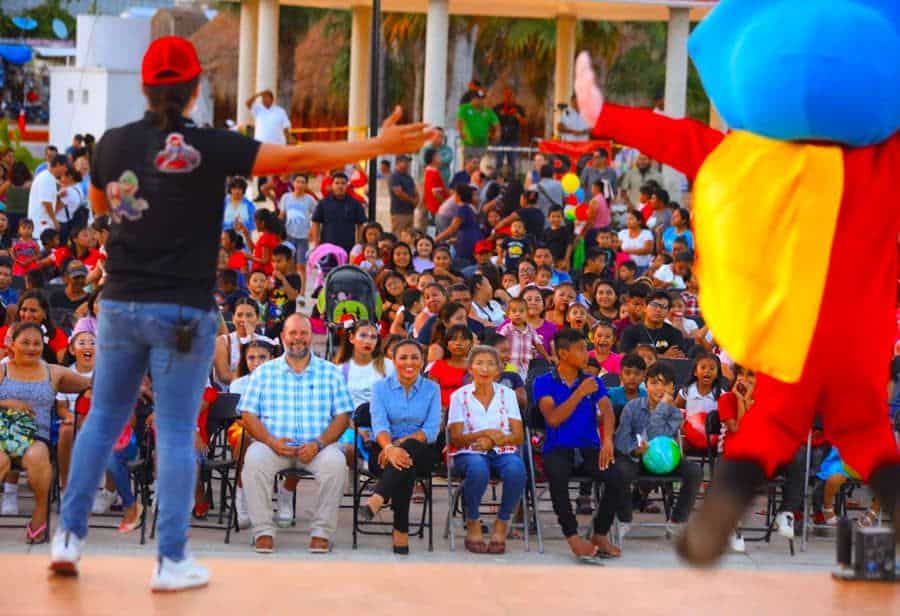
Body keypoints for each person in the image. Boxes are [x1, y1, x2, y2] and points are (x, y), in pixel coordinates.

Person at [52, 36, 433, 590]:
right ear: (195, 87)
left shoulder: (111, 144)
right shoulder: (214, 145)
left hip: (120, 305)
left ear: (143, 84)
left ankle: (69, 538)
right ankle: (172, 561)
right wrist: (377, 144)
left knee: (101, 421)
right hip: (183, 307)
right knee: (180, 431)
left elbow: (100, 206)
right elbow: (300, 157)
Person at [238, 314, 351, 553]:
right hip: (273, 445)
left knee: (336, 463)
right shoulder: (264, 372)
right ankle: (263, 531)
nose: (298, 338)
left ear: (311, 336)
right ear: (282, 337)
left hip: (317, 447)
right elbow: (248, 414)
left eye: (303, 333)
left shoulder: (330, 372)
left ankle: (321, 532)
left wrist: (319, 444)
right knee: (254, 459)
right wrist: (270, 441)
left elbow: (343, 416)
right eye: (292, 333)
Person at [532, 328, 625, 560]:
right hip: (558, 447)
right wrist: (578, 393)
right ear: (563, 354)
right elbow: (552, 418)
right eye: (581, 349)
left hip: (589, 448)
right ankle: (573, 537)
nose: (587, 354)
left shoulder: (593, 381)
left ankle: (600, 533)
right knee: (557, 475)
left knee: (618, 476)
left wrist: (607, 441)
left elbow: (607, 410)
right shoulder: (543, 382)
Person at [0, 322, 91, 543]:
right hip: (2, 433)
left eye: (36, 343)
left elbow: (92, 382)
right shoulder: (2, 369)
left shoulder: (53, 372)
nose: (31, 348)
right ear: (13, 344)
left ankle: (40, 513)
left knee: (37, 456)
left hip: (35, 435)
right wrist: (7, 402)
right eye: (25, 342)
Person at [358, 339, 441, 554]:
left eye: (415, 357)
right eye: (403, 357)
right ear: (393, 361)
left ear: (423, 361)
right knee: (405, 467)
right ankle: (400, 530)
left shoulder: (432, 389)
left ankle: (379, 497)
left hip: (422, 450)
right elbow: (379, 425)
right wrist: (389, 448)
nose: (409, 362)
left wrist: (398, 447)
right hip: (383, 450)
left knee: (411, 448)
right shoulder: (380, 388)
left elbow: (431, 430)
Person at [448, 345, 526, 554]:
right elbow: (455, 438)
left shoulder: (508, 395)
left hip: (503, 450)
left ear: (498, 370)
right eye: (479, 363)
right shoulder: (459, 396)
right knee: (478, 469)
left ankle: (502, 523)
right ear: (470, 368)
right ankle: (472, 521)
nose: (485, 368)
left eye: (491, 364)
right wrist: (485, 433)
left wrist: (494, 442)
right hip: (468, 452)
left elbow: (518, 436)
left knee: (516, 469)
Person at [614, 361, 702, 537]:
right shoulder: (631, 407)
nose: (659, 388)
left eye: (665, 383)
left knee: (694, 471)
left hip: (663, 461)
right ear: (645, 385)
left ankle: (677, 520)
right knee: (621, 470)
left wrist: (662, 407)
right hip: (636, 458)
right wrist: (635, 450)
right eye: (654, 383)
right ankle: (624, 519)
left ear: (672, 388)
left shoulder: (675, 413)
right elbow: (621, 441)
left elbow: (656, 435)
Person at [309, 172, 368, 254]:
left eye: (343, 183)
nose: (340, 186)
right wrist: (316, 243)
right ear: (332, 185)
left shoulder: (355, 204)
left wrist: (358, 245)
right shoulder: (323, 203)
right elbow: (316, 222)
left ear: (347, 185)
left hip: (348, 248)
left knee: (345, 267)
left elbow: (360, 225)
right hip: (327, 247)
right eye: (337, 183)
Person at [620, 290, 686, 357]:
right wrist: (663, 356)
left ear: (668, 311)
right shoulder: (630, 332)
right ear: (645, 307)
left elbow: (678, 358)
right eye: (654, 305)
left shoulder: (675, 334)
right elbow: (624, 357)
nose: (658, 310)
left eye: (664, 307)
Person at [497, 297, 550, 378]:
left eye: (521, 311)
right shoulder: (506, 329)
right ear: (508, 314)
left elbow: (538, 344)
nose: (517, 314)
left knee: (522, 384)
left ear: (527, 313)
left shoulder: (530, 329)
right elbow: (498, 343)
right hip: (509, 364)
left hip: (525, 366)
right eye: (514, 311)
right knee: (510, 382)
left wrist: (546, 356)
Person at [279, 173, 316, 272]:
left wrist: (312, 230)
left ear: (306, 185)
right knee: (290, 264)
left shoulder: (310, 200)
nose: (300, 185)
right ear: (293, 183)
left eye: (303, 182)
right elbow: (282, 215)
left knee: (301, 265)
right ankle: (292, 285)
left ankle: (302, 287)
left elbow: (316, 217)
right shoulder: (286, 197)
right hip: (288, 235)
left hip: (303, 237)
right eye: (297, 182)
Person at [27, 154, 67, 239]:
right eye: (65, 166)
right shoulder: (46, 178)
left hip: (41, 222)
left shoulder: (48, 177)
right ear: (58, 164)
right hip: (41, 224)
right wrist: (55, 221)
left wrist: (58, 196)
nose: (66, 170)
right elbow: (46, 203)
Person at [457, 90, 499, 163]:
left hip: (482, 144)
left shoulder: (487, 111)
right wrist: (460, 131)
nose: (481, 101)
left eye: (482, 98)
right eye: (479, 98)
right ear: (473, 99)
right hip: (468, 143)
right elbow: (459, 120)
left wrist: (498, 132)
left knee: (477, 165)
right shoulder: (465, 108)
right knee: (467, 164)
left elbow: (496, 123)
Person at [493, 89, 526, 171]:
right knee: (498, 162)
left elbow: (524, 123)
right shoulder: (497, 108)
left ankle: (512, 181)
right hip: (500, 139)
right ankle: (497, 179)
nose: (508, 98)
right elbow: (491, 122)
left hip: (513, 139)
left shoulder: (518, 108)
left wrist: (517, 115)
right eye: (506, 96)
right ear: (503, 97)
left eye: (510, 96)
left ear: (513, 97)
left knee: (512, 162)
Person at [389, 154, 419, 233]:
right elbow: (398, 192)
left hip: (409, 211)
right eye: (405, 162)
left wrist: (417, 200)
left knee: (409, 236)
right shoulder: (395, 176)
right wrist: (412, 201)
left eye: (408, 162)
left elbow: (415, 190)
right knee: (398, 235)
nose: (407, 164)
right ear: (398, 163)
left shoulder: (408, 177)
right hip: (399, 212)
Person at [422, 148, 449, 220]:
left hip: (435, 209)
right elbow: (436, 193)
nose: (440, 158)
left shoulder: (430, 172)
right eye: (438, 156)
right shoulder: (432, 173)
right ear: (433, 159)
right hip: (437, 209)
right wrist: (446, 205)